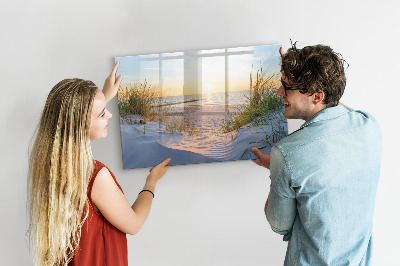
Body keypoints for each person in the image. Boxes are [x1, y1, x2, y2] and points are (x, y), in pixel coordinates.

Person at [27, 62, 171, 266]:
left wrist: (104, 95)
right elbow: (134, 224)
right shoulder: (95, 176)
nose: (110, 115)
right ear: (81, 124)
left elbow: (77, 117)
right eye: (103, 113)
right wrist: (152, 181)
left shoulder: (50, 165)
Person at [251, 43, 382, 265]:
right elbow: (335, 106)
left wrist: (278, 168)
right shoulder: (369, 125)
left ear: (317, 96)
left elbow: (279, 225)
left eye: (287, 87)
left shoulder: (286, 154)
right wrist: (297, 71)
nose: (279, 92)